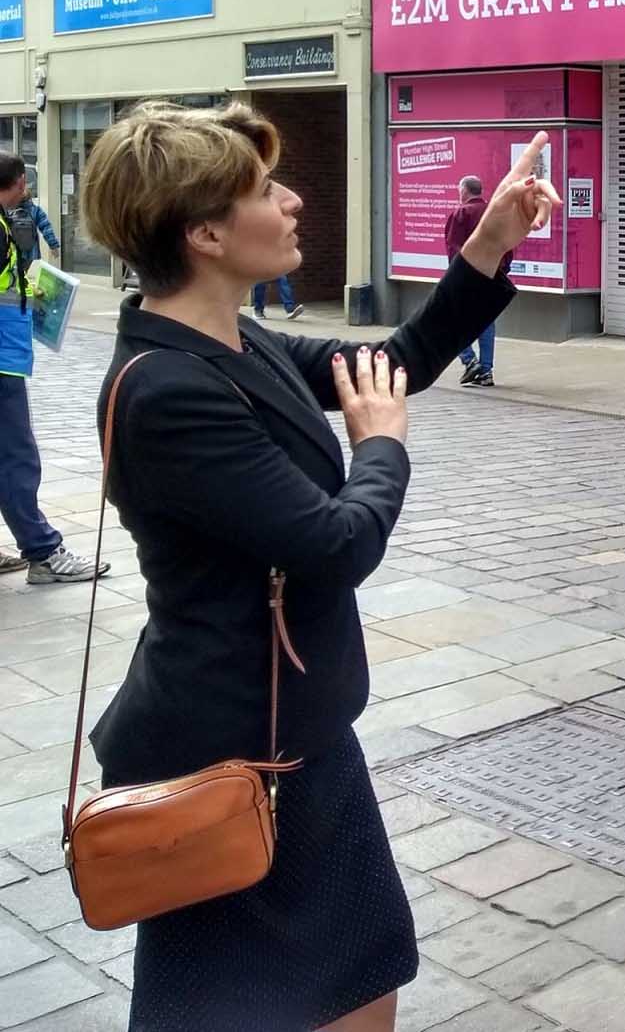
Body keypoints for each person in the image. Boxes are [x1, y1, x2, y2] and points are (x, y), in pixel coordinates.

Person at [81, 102, 555, 1032]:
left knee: (360, 969)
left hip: (296, 733)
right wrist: (380, 447)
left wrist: (491, 242)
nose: (294, 201)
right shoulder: (167, 391)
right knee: (250, 1001)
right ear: (206, 232)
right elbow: (337, 545)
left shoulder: (238, 341)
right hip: (233, 758)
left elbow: (395, 361)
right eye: (266, 190)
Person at [0, 152, 104, 585]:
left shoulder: (8, 222)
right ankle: (43, 552)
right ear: (21, 181)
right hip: (2, 363)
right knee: (15, 457)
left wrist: (31, 289)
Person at [444, 176, 511, 385]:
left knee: (452, 322)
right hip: (492, 275)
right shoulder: (495, 214)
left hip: (468, 275)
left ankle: (469, 360)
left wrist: (456, 275)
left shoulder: (461, 213)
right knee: (487, 322)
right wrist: (502, 269)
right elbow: (507, 245)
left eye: (458, 189)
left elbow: (453, 247)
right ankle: (486, 371)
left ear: (464, 191)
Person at [7, 187, 58, 265]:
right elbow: (46, 228)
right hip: (32, 253)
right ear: (30, 197)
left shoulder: (8, 210)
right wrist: (53, 245)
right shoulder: (35, 210)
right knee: (29, 275)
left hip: (13, 252)